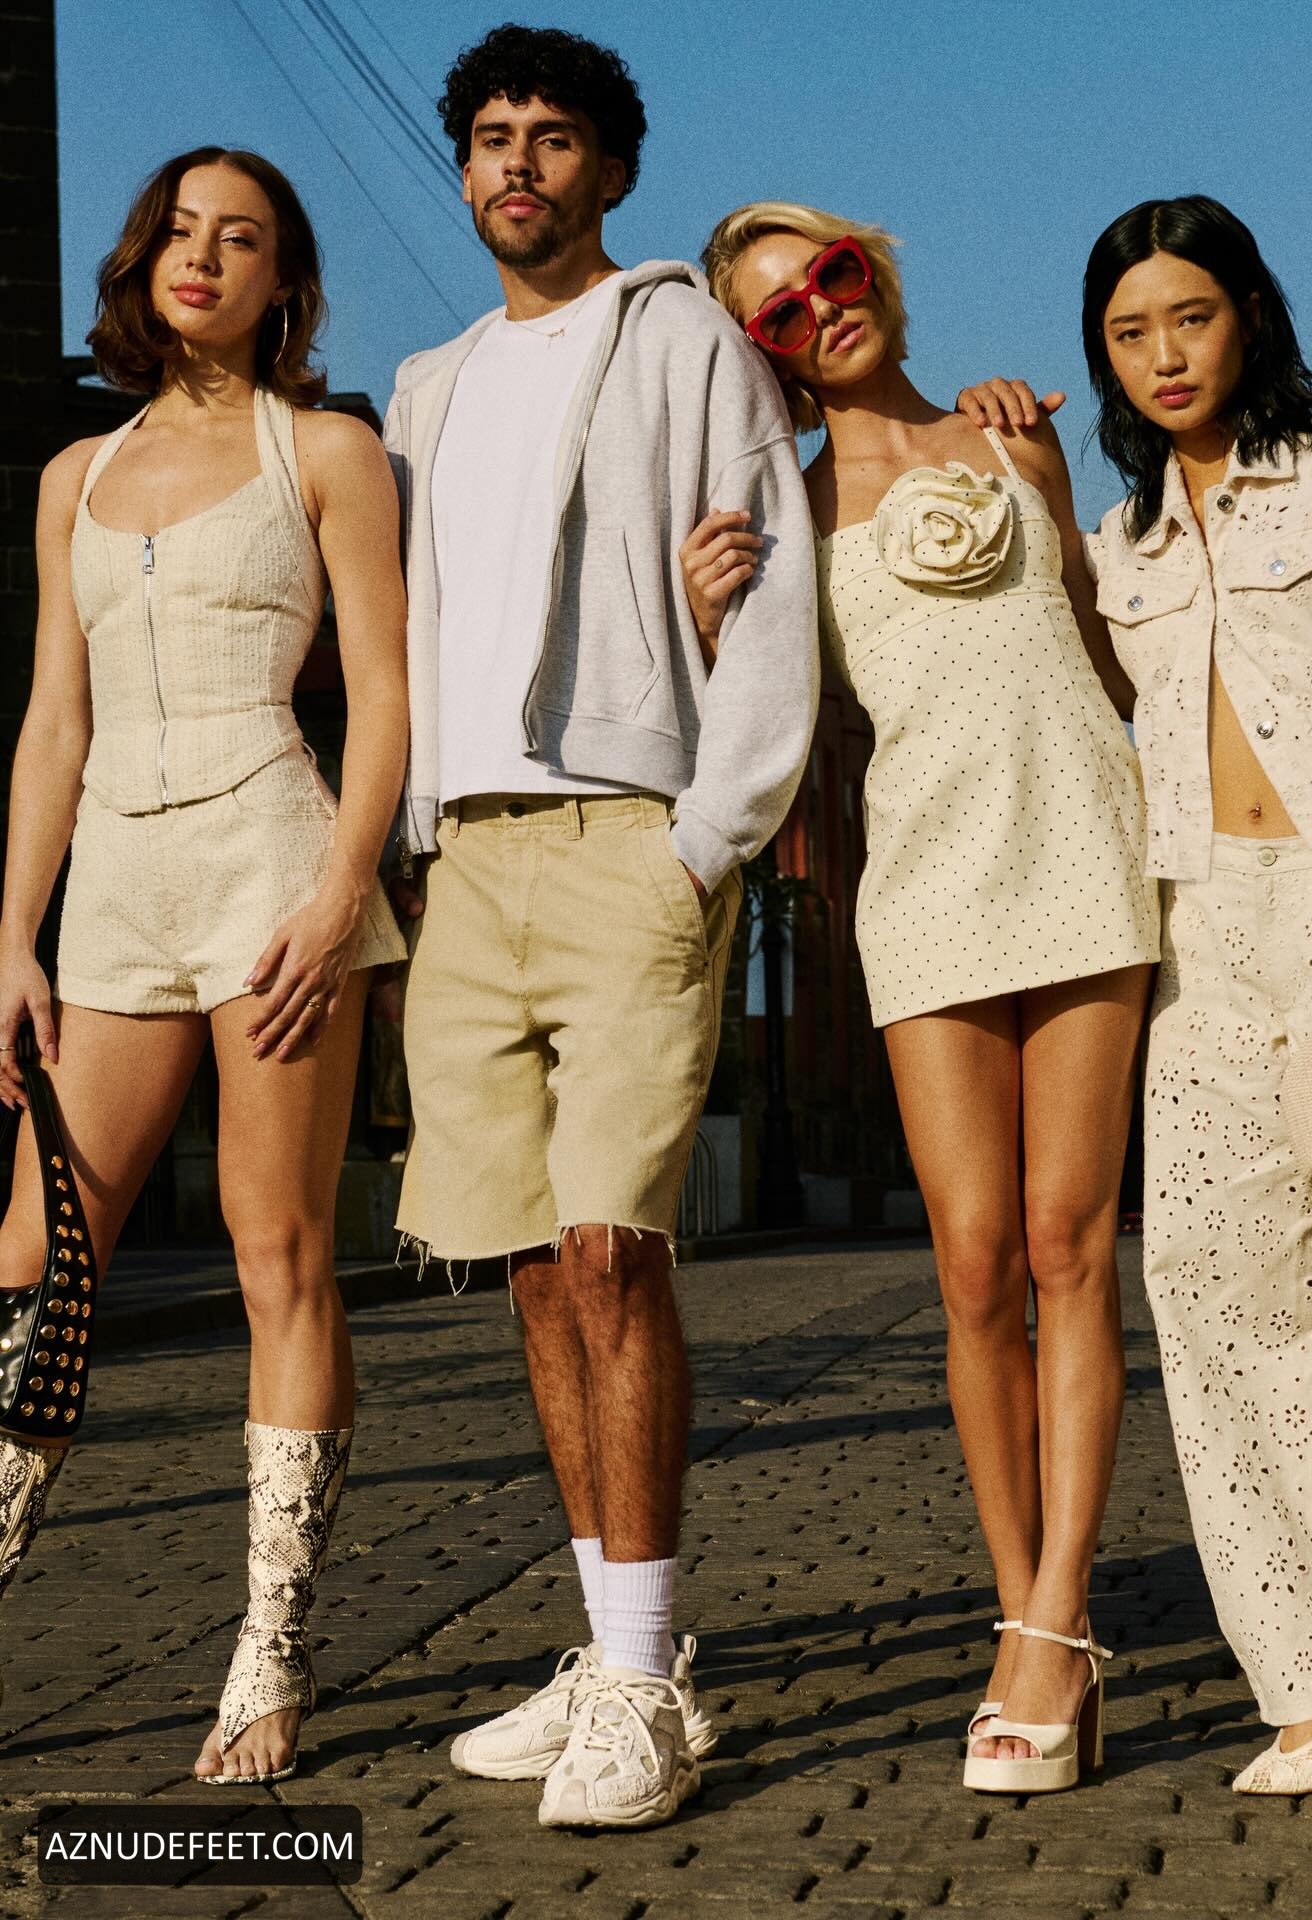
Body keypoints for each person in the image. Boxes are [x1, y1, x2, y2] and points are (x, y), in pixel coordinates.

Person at [382, 27, 818, 1830]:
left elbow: (769, 578)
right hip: (466, 859)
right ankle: (609, 1645)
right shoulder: (427, 386)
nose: (518, 164)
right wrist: (411, 838)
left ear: (612, 171)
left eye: (554, 138)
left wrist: (708, 840)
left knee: (616, 1247)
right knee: (532, 1268)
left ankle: (644, 1685)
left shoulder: (684, 337)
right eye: (492, 136)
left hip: (630, 840)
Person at [959, 194, 1312, 1802]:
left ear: (1250, 314)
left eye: (1191, 316)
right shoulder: (1132, 539)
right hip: (1198, 936)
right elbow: (1093, 695)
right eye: (1128, 332)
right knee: (1232, 1315)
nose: (1165, 355)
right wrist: (1035, 483)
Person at [697, 201, 1158, 1795]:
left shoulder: (1016, 438)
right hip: (926, 886)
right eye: (779, 312)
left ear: (875, 273)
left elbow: (1113, 658)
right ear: (759, 354)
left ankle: (1058, 1622)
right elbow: (760, 740)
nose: (819, 310)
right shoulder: (784, 516)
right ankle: (1020, 1606)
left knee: (1069, 1244)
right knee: (971, 1266)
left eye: (831, 275)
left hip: (1084, 847)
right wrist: (709, 616)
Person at [0, 147, 408, 1785]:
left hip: (268, 865)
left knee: (277, 1249)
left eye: (241, 238)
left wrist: (337, 893)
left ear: (282, 280)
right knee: (38, 1255)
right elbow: (54, 721)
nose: (204, 257)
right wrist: (13, 933)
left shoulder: (329, 450)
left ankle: (271, 1650)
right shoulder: (74, 474)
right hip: (111, 885)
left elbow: (383, 693)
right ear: (143, 258)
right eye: (181, 230)